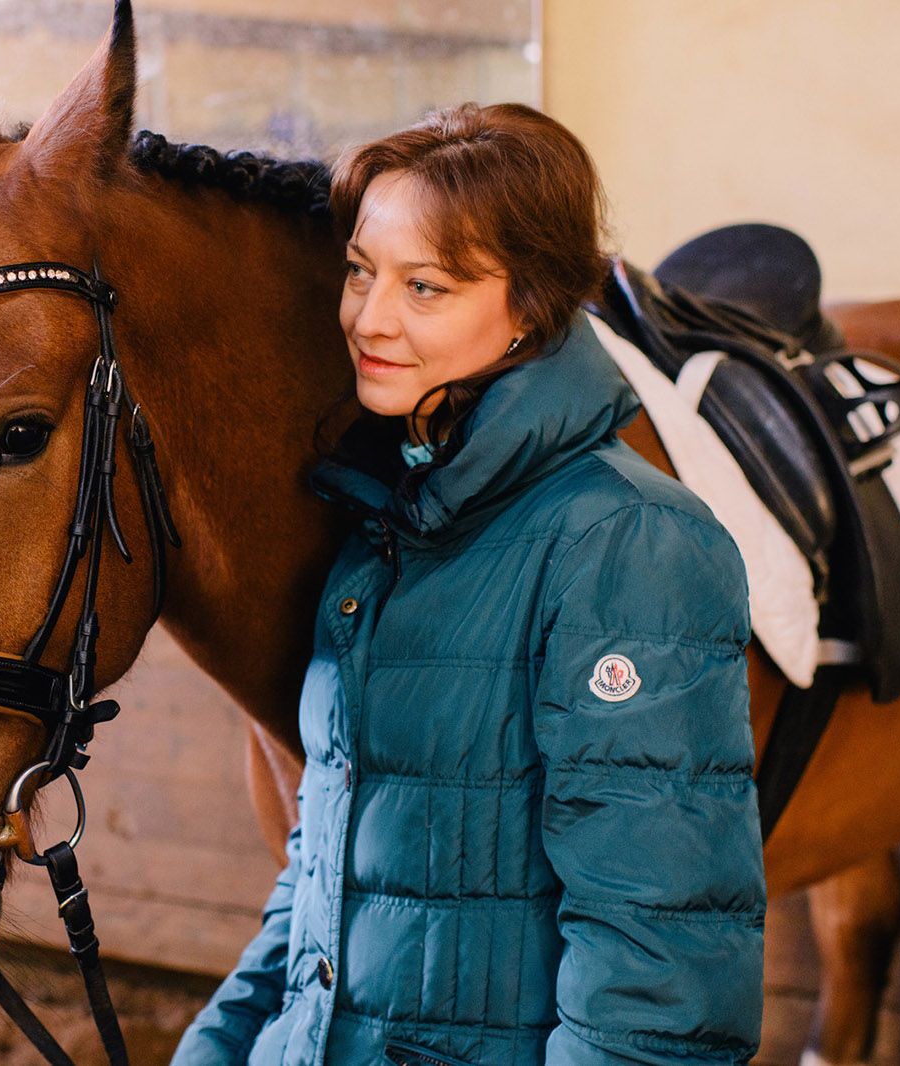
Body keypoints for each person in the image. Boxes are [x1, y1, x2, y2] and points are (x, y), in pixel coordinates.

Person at [172, 102, 765, 1066]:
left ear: (530, 307)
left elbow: (661, 969)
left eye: (427, 287)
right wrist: (217, 1049)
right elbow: (328, 875)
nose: (370, 318)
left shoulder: (631, 545)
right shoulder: (383, 524)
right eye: (361, 273)